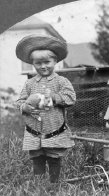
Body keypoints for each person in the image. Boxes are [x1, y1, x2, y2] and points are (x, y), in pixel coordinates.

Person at [15, 34, 76, 183]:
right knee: (37, 157)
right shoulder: (29, 84)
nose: (43, 66)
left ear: (55, 61)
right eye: (38, 63)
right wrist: (25, 107)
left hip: (54, 129)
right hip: (33, 131)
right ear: (33, 64)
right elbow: (19, 102)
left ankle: (54, 182)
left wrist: (54, 98)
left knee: (54, 157)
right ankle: (40, 184)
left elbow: (71, 98)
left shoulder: (61, 81)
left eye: (47, 62)